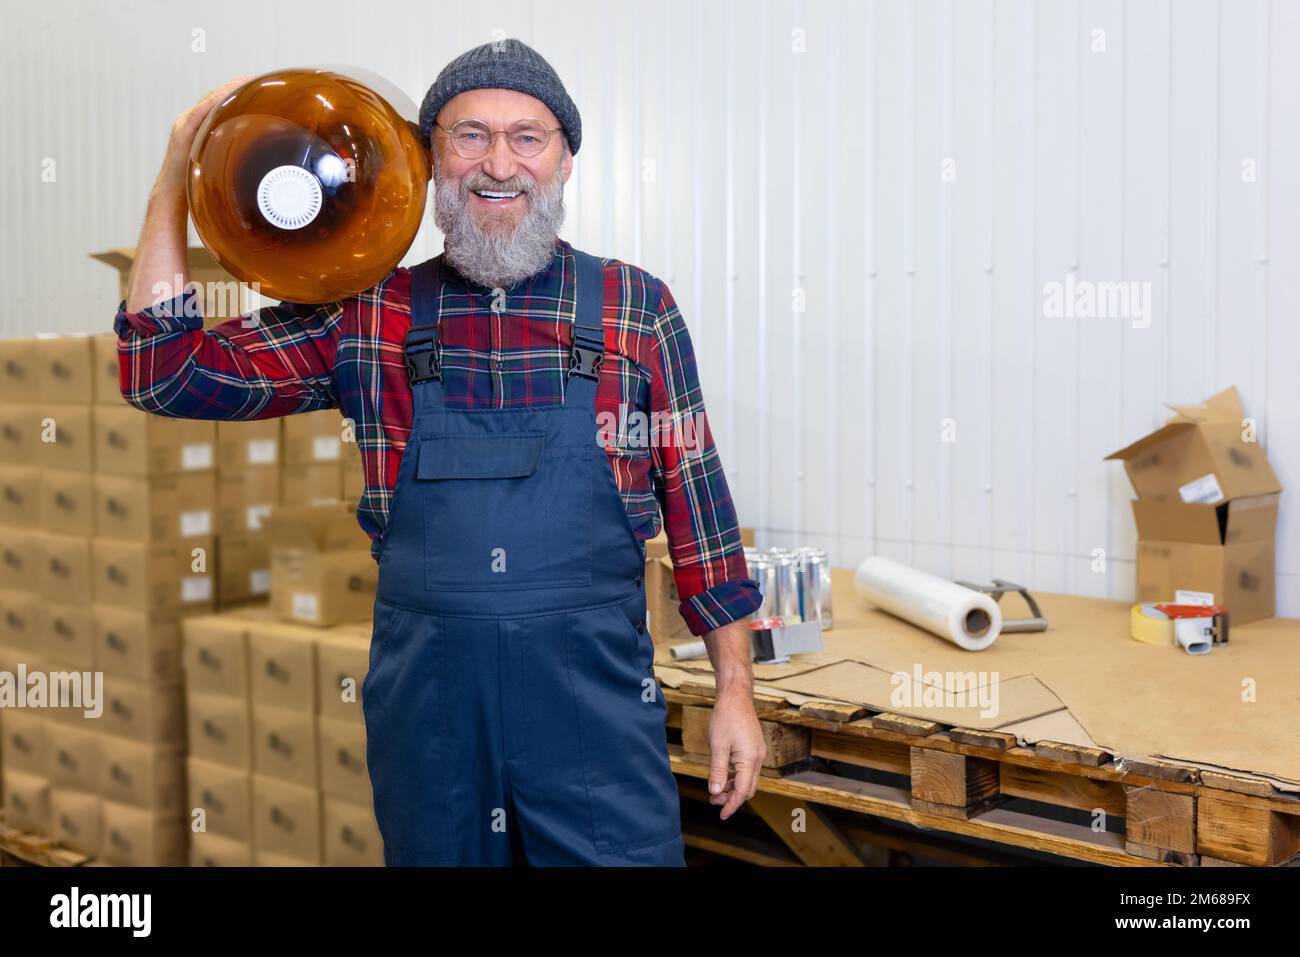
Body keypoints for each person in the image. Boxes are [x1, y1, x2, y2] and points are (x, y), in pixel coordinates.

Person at [115, 38, 764, 866]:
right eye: (469, 136)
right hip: (433, 725)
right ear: (427, 161)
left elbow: (702, 518)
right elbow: (161, 372)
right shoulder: (366, 313)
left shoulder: (636, 307)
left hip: (594, 720)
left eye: (527, 137)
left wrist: (738, 696)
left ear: (565, 161)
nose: (500, 163)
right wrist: (178, 173)